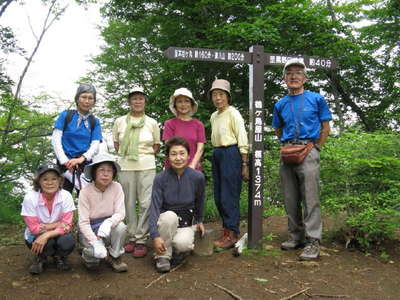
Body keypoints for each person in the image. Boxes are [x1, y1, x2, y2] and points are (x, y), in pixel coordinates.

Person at [272, 58, 332, 261]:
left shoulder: (316, 99)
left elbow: (326, 127)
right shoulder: (280, 104)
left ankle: (313, 240)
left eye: (298, 72)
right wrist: (284, 144)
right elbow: (277, 128)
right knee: (290, 198)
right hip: (288, 151)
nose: (294, 76)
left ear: (305, 77)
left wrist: (315, 147)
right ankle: (295, 236)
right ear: (284, 78)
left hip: (309, 149)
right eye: (289, 73)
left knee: (310, 197)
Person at [112, 87, 161, 258]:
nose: (137, 101)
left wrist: (142, 154)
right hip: (125, 165)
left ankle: (141, 239)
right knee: (128, 203)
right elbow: (117, 144)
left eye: (141, 98)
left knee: (146, 202)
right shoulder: (119, 121)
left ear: (145, 101)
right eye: (134, 99)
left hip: (147, 165)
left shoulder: (152, 122)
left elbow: (156, 145)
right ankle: (132, 237)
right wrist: (128, 154)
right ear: (129, 102)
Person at [149, 137, 205, 273]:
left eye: (182, 153)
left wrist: (199, 220)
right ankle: (162, 256)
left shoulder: (197, 177)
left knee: (183, 244)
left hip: (186, 221)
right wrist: (155, 235)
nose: (178, 158)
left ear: (188, 155)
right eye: (173, 154)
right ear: (168, 157)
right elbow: (154, 207)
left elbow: (200, 200)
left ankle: (177, 252)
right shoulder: (160, 178)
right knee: (169, 216)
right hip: (167, 221)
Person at [209, 79, 249, 250]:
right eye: (215, 95)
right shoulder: (213, 116)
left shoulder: (233, 113)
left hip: (231, 153)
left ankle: (232, 232)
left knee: (229, 195)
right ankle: (226, 229)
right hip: (217, 153)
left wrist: (245, 162)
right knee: (218, 195)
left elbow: (242, 135)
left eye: (221, 95)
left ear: (227, 97)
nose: (218, 98)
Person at [21, 163, 75, 275]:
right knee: (46, 242)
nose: (50, 183)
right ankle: (41, 257)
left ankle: (59, 256)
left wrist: (47, 233)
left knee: (67, 241)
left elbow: (68, 225)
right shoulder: (30, 198)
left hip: (53, 233)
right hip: (35, 235)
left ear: (60, 180)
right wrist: (59, 224)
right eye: (45, 179)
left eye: (54, 179)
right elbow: (34, 229)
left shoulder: (66, 196)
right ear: (38, 181)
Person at [78, 153, 128, 272]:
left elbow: (120, 213)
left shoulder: (117, 187)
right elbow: (83, 222)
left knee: (121, 227)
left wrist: (108, 223)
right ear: (94, 173)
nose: (105, 174)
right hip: (90, 229)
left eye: (109, 171)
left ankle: (114, 256)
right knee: (93, 261)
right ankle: (87, 255)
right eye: (101, 170)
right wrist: (95, 242)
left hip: (108, 227)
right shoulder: (85, 192)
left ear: (113, 174)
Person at [52, 83, 102, 193]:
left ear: (94, 101)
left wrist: (81, 159)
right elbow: (56, 139)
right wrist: (65, 161)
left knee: (87, 200)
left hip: (85, 165)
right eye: (84, 97)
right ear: (77, 98)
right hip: (64, 165)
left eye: (90, 98)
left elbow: (95, 144)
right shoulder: (65, 116)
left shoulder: (94, 122)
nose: (87, 101)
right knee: (61, 198)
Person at [162, 88, 206, 171]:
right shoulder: (169, 124)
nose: (183, 104)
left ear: (191, 104)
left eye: (186, 101)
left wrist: (192, 165)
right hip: (173, 168)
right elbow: (169, 147)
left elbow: (200, 148)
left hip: (193, 168)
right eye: (179, 101)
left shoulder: (198, 124)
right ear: (175, 105)